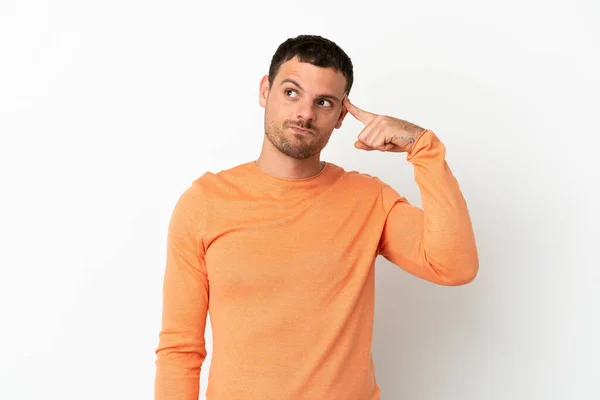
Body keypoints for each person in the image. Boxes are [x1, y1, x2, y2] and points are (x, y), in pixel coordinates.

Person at [154, 34, 479, 400]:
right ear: (266, 91)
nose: (305, 113)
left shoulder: (368, 199)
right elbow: (180, 350)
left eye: (323, 102)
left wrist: (423, 147)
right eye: (291, 92)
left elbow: (453, 266)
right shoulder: (205, 203)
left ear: (341, 115)